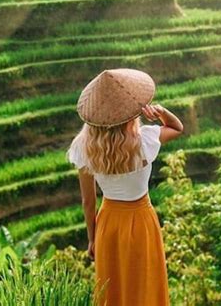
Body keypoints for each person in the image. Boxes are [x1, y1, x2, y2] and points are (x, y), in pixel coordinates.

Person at [66, 68, 184, 306]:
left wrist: (91, 239)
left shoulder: (83, 148)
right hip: (141, 221)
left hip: (108, 224)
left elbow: (88, 202)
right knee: (144, 285)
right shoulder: (144, 141)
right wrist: (161, 112)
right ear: (131, 113)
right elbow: (177, 128)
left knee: (114, 289)